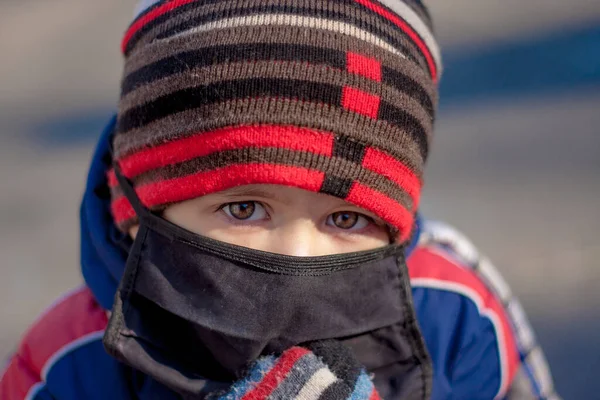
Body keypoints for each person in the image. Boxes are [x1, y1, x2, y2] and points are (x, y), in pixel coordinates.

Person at [0, 0, 559, 399]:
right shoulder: (69, 365)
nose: (296, 257)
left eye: (345, 216)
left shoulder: (453, 315)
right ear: (137, 210)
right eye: (244, 208)